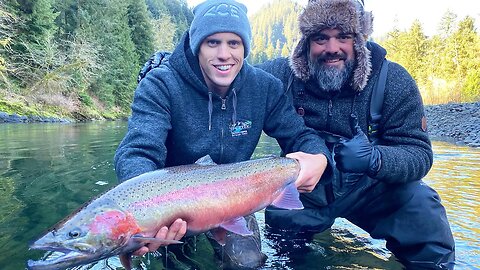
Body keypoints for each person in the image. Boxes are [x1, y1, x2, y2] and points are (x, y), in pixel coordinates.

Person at [114, 0, 331, 269]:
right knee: (172, 264)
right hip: (173, 208)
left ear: (245, 47)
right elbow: (137, 151)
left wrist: (319, 157)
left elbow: (300, 136)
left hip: (234, 199)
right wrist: (145, 211)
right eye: (213, 42)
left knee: (248, 263)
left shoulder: (264, 88)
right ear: (197, 46)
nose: (224, 54)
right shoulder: (160, 84)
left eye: (234, 43)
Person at [257, 0, 456, 269]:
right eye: (320, 38)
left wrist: (375, 159)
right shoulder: (279, 75)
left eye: (343, 36)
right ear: (306, 42)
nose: (331, 49)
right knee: (287, 256)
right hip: (304, 191)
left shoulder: (393, 80)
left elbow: (419, 154)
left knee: (422, 205)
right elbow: (232, 82)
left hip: (372, 189)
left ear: (360, 39)